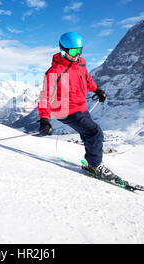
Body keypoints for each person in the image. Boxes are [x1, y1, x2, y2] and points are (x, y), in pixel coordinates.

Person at [37, 32, 118, 181]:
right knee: (95, 132)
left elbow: (87, 79)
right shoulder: (55, 72)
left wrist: (97, 90)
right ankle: (95, 166)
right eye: (74, 51)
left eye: (80, 50)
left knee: (88, 133)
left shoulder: (81, 63)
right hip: (64, 110)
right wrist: (44, 120)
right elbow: (45, 97)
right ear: (63, 50)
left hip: (80, 106)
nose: (77, 55)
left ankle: (91, 163)